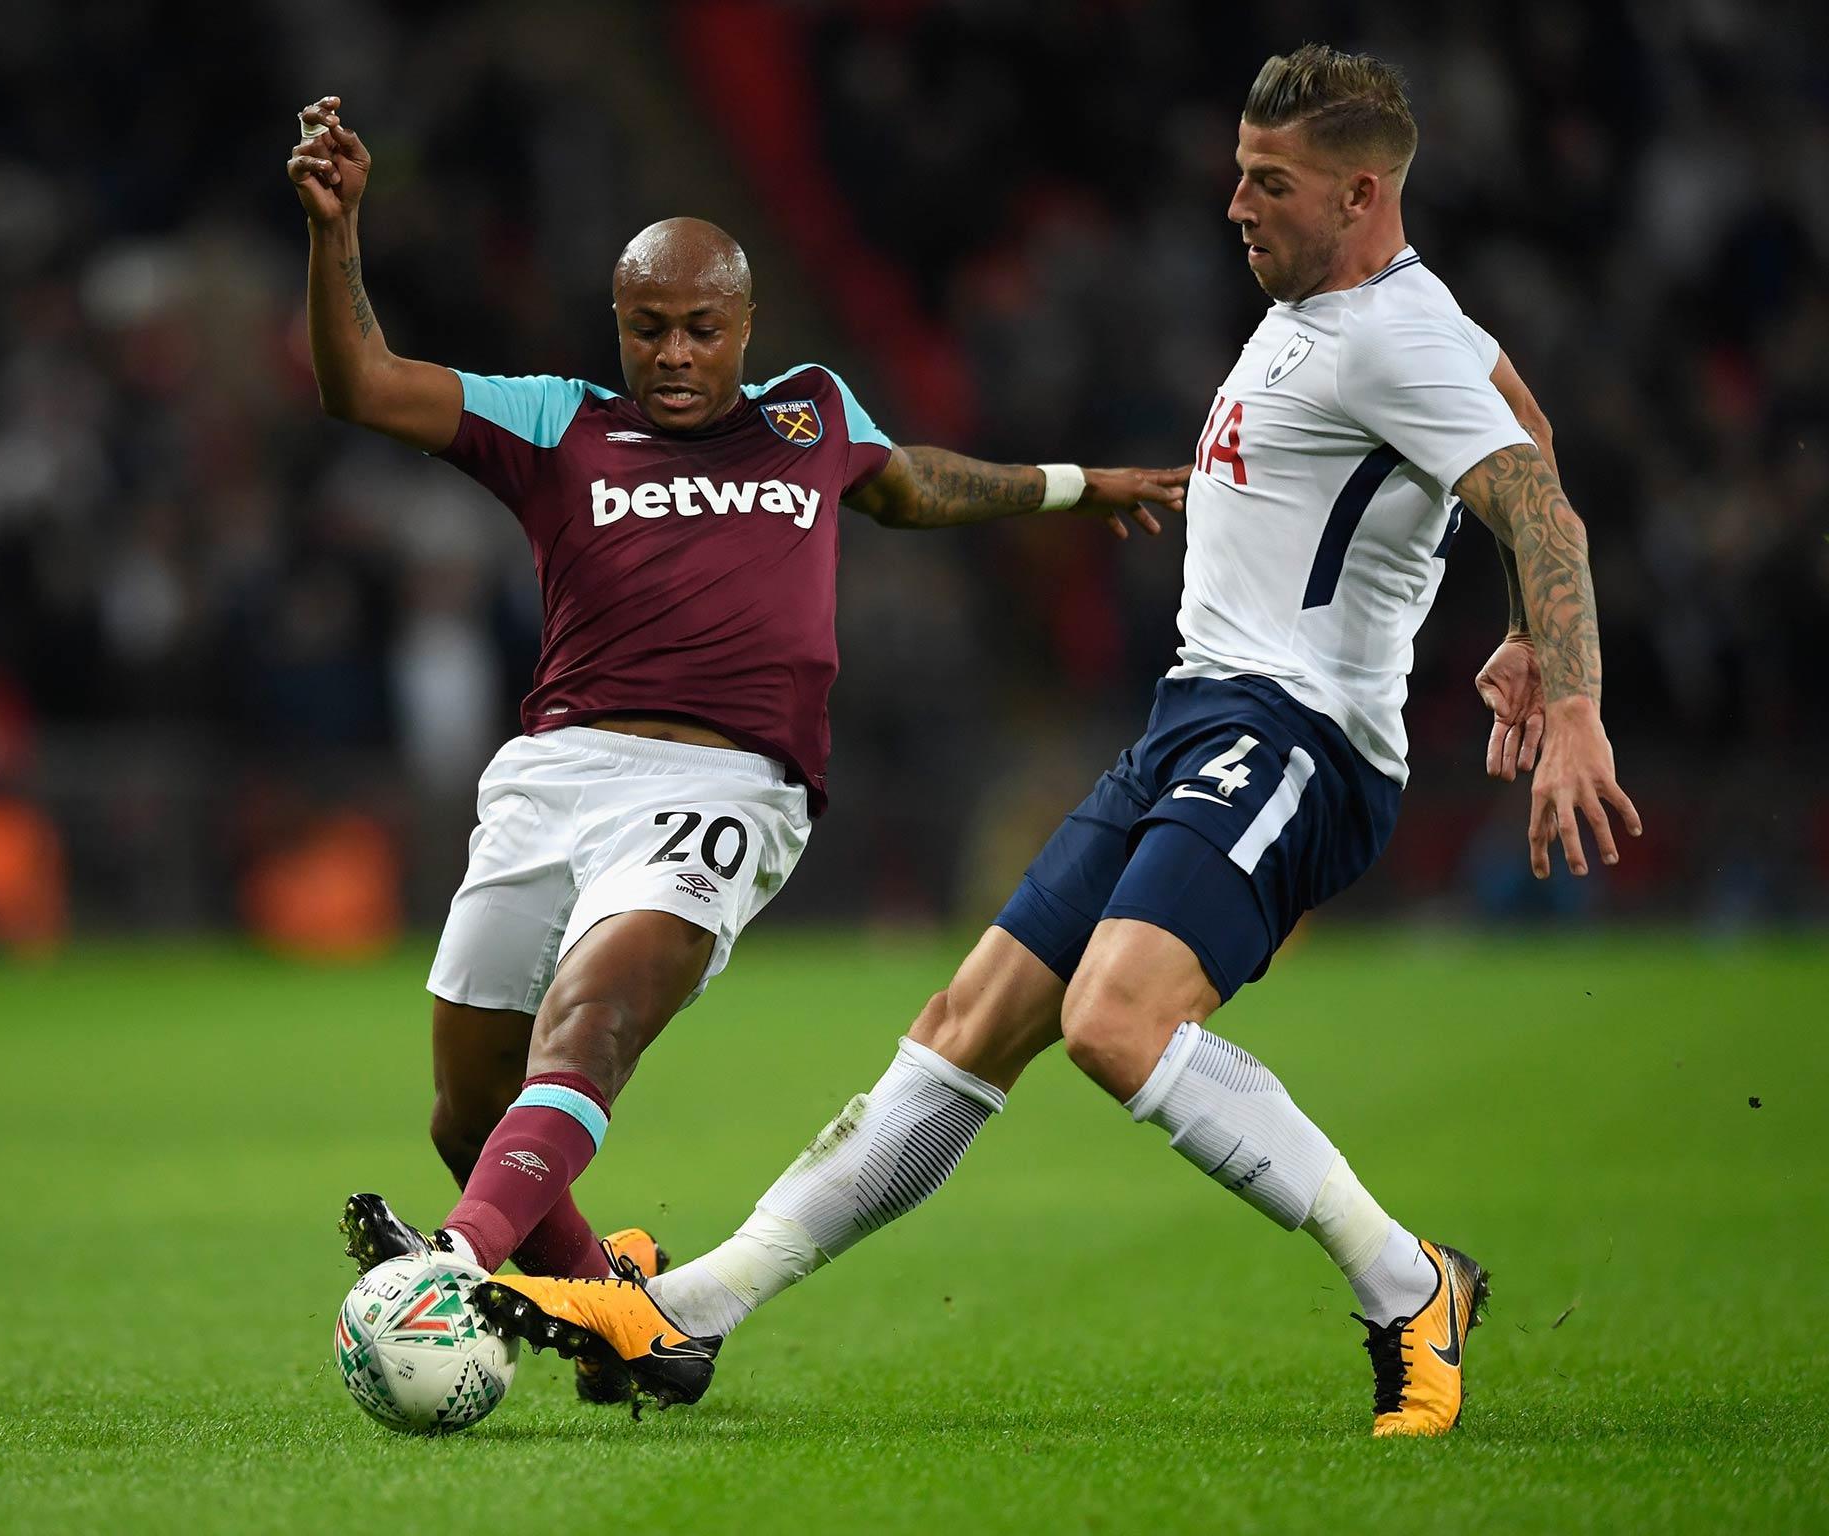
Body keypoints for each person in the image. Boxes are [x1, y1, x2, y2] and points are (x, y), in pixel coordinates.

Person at [465, 44, 1641, 1435]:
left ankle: (1408, 1284)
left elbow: (1542, 505)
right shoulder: (1335, 308)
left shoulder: (1398, 333)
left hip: (1301, 742)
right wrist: (1514, 617)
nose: (1236, 205)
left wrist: (1572, 699)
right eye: (1238, 174)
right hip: (1197, 720)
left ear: (1363, 194)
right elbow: (1526, 431)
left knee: (1117, 1022)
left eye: (1272, 182)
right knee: (965, 1029)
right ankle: (688, 1317)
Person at [284, 98, 1189, 1401]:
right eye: (648, 327)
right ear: (618, 325)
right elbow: (358, 384)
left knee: (589, 1025)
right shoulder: (556, 423)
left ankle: (456, 1270)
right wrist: (338, 236)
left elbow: (917, 484)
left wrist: (1074, 483)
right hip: (552, 779)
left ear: (746, 327)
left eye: (700, 327)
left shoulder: (811, 420)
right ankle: (632, 1329)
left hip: (725, 787)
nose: (673, 353)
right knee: (466, 1114)